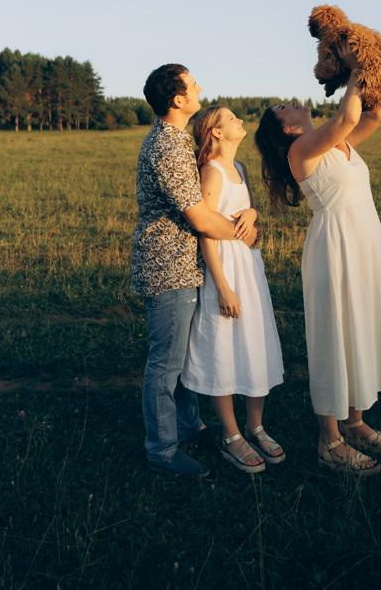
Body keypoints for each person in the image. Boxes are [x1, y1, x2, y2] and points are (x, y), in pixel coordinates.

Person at [254, 76, 381, 477]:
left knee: (361, 329)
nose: (289, 102)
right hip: (335, 248)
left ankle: (354, 422)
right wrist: (354, 69)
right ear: (287, 128)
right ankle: (330, 441)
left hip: (364, 242)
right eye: (281, 108)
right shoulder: (302, 149)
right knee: (336, 336)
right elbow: (347, 116)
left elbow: (372, 114)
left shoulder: (340, 143)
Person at [132, 64, 257, 478]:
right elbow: (201, 219)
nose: (200, 87)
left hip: (183, 265)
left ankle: (188, 426)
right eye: (192, 84)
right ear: (178, 99)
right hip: (169, 266)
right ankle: (162, 451)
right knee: (165, 365)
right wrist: (246, 235)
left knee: (180, 358)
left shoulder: (177, 140)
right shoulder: (168, 147)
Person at [182, 107, 285, 474]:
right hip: (224, 271)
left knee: (254, 341)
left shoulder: (239, 170)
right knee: (223, 346)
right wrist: (223, 287)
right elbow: (206, 234)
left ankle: (256, 425)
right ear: (217, 133)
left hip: (249, 266)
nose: (239, 119)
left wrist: (254, 215)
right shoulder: (211, 172)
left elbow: (249, 209)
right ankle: (231, 434)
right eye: (230, 118)